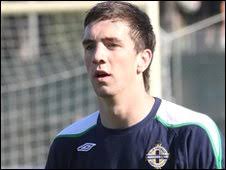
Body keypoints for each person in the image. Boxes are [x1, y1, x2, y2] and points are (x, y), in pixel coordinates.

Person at [45, 1, 225, 169]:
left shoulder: (192, 134)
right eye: (90, 46)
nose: (97, 56)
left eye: (112, 44)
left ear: (143, 59)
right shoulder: (67, 144)